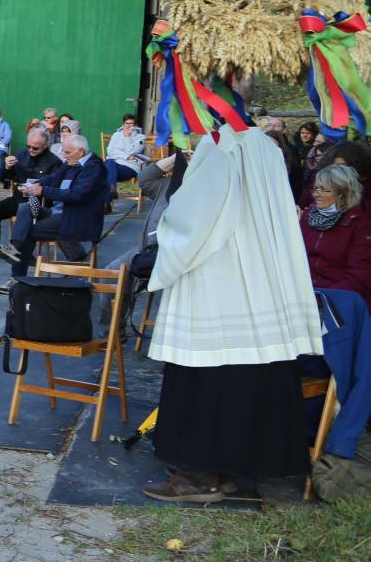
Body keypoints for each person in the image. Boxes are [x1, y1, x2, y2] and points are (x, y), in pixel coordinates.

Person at [144, 124, 321, 503]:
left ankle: (196, 476)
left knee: (201, 378)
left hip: (216, 279)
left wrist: (167, 230)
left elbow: (196, 221)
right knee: (247, 376)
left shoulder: (218, 146)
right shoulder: (267, 147)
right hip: (261, 279)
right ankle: (228, 472)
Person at [0, 133, 107, 287]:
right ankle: (15, 249)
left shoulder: (94, 168)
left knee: (28, 231)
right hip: (57, 213)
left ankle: (16, 278)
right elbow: (52, 178)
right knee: (25, 207)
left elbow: (77, 195)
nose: (64, 155)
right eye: (64, 151)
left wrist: (42, 191)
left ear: (81, 152)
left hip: (75, 218)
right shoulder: (71, 162)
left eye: (67, 152)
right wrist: (32, 186)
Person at [0, 126, 62, 266]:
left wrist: (38, 189)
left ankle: (24, 253)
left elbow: (55, 189)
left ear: (45, 146)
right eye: (28, 146)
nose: (31, 150)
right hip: (19, 198)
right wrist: (5, 167)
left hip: (40, 203)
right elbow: (3, 180)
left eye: (35, 148)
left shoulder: (54, 162)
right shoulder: (21, 154)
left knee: (26, 212)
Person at [300, 164, 371, 308]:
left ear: (342, 193)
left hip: (338, 299)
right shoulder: (308, 216)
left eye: (324, 189)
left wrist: (324, 299)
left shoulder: (359, 224)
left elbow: (359, 276)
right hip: (305, 293)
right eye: (315, 188)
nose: (316, 194)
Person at [104, 114, 150, 198]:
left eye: (131, 123)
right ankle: (112, 189)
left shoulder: (140, 137)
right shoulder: (116, 135)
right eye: (126, 123)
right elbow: (110, 151)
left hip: (130, 166)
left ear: (135, 125)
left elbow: (132, 151)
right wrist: (127, 157)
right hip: (114, 164)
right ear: (123, 124)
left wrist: (128, 137)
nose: (128, 126)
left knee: (105, 173)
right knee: (109, 162)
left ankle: (108, 201)